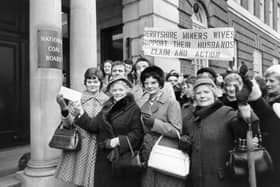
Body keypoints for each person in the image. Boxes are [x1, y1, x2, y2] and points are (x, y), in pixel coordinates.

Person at [182, 78, 259, 187]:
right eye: (198, 93)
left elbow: (246, 129)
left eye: (206, 92)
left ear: (214, 94)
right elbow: (187, 143)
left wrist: (243, 106)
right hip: (195, 180)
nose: (202, 96)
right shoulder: (189, 118)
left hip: (221, 179)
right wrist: (184, 143)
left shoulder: (227, 113)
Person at [72, 76, 144, 187]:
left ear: (127, 90)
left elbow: (137, 134)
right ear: (110, 92)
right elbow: (93, 125)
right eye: (114, 90)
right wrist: (80, 111)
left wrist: (118, 141)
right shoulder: (107, 107)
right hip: (104, 158)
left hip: (122, 158)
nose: (117, 93)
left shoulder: (134, 108)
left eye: (121, 90)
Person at [55, 67, 109, 187]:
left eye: (95, 81)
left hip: (97, 144)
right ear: (85, 82)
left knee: (96, 179)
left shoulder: (107, 100)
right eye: (89, 81)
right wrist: (63, 107)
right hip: (80, 143)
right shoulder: (77, 98)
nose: (92, 84)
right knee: (80, 179)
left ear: (101, 82)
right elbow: (68, 123)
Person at [139, 66, 185, 187]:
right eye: (146, 83)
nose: (149, 86)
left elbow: (177, 131)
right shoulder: (144, 106)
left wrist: (155, 124)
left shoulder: (171, 103)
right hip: (148, 152)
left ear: (160, 84)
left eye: (153, 82)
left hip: (165, 152)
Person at [248, 64, 280, 187]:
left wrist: (257, 100)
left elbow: (270, 122)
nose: (267, 84)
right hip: (265, 155)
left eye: (272, 81)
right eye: (266, 80)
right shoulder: (269, 99)